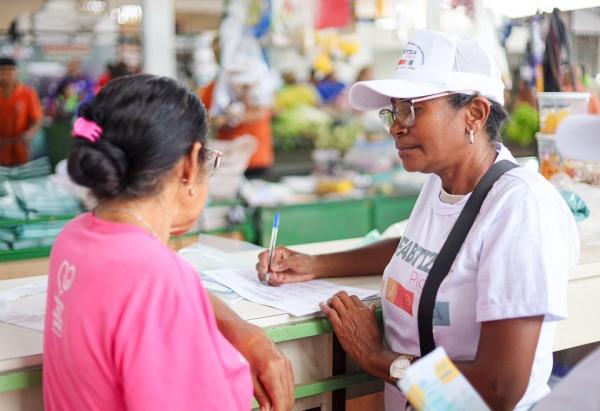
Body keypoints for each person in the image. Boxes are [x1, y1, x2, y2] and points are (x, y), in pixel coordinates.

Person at [257, 30, 579, 410]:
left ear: (474, 113)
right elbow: (424, 250)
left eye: (413, 109)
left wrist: (378, 358)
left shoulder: (520, 208)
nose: (396, 125)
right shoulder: (442, 182)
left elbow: (498, 389)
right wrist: (317, 264)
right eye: (393, 110)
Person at [43, 74, 294, 411]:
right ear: (190, 164)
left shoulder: (74, 238)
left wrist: (241, 330)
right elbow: (156, 286)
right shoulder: (156, 277)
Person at [0, 57, 43, 166]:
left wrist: (30, 134)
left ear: (16, 72)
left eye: (10, 71)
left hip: (20, 147)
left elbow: (37, 120)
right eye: (2, 71)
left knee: (20, 178)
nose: (6, 75)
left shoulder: (28, 94)